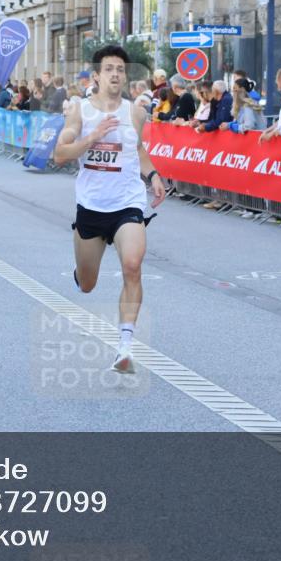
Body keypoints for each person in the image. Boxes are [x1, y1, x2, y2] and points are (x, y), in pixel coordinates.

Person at [52, 44, 166, 374]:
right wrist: (93, 138)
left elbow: (139, 149)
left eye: (120, 69)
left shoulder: (136, 112)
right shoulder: (79, 111)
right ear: (98, 76)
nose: (115, 74)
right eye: (109, 69)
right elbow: (61, 154)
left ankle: (125, 345)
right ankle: (81, 274)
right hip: (91, 206)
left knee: (132, 265)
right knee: (87, 284)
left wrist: (153, 175)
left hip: (127, 203)